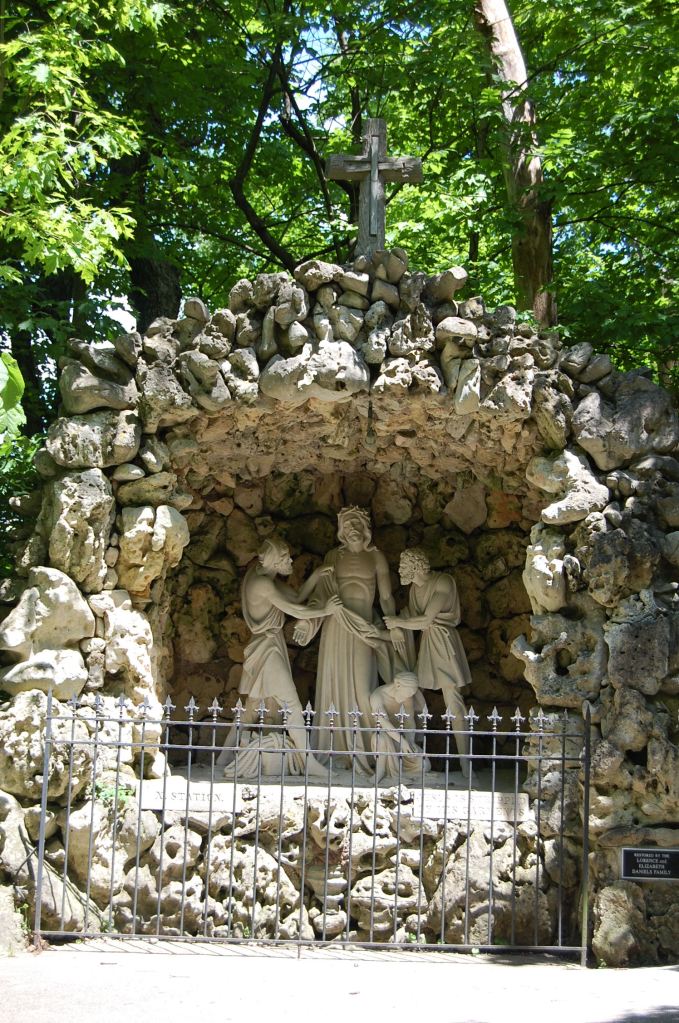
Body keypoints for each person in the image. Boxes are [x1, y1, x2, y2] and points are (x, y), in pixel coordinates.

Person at [216, 538, 340, 778]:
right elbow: (295, 610)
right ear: (275, 561)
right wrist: (326, 610)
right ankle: (308, 761)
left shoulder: (262, 575)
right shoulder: (263, 584)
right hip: (267, 650)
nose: (291, 561)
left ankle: (223, 757)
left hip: (269, 644)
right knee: (291, 703)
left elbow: (296, 597)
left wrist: (316, 576)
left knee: (252, 708)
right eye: (286, 558)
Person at [292, 506, 399, 772]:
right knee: (333, 684)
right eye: (347, 525)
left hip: (363, 627)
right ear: (341, 530)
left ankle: (368, 750)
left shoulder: (375, 557)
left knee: (363, 689)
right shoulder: (333, 556)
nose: (352, 529)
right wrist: (306, 621)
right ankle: (335, 749)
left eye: (356, 523)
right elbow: (321, 594)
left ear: (365, 527)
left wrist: (393, 624)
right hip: (336, 625)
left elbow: (386, 597)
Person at [384, 548, 473, 778]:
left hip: (442, 643)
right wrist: (396, 627)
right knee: (410, 690)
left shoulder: (443, 581)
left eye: (404, 566)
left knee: (453, 700)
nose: (400, 571)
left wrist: (397, 623)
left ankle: (466, 764)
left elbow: (425, 620)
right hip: (426, 645)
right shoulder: (414, 589)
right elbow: (409, 617)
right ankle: (409, 756)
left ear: (415, 566)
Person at [370, 671, 430, 781]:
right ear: (397, 685)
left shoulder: (407, 697)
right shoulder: (378, 696)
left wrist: (410, 741)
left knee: (425, 765)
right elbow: (383, 722)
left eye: (411, 695)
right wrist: (403, 742)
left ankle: (403, 774)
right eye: (407, 694)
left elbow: (409, 720)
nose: (408, 697)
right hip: (386, 737)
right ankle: (381, 771)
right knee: (379, 739)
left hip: (402, 739)